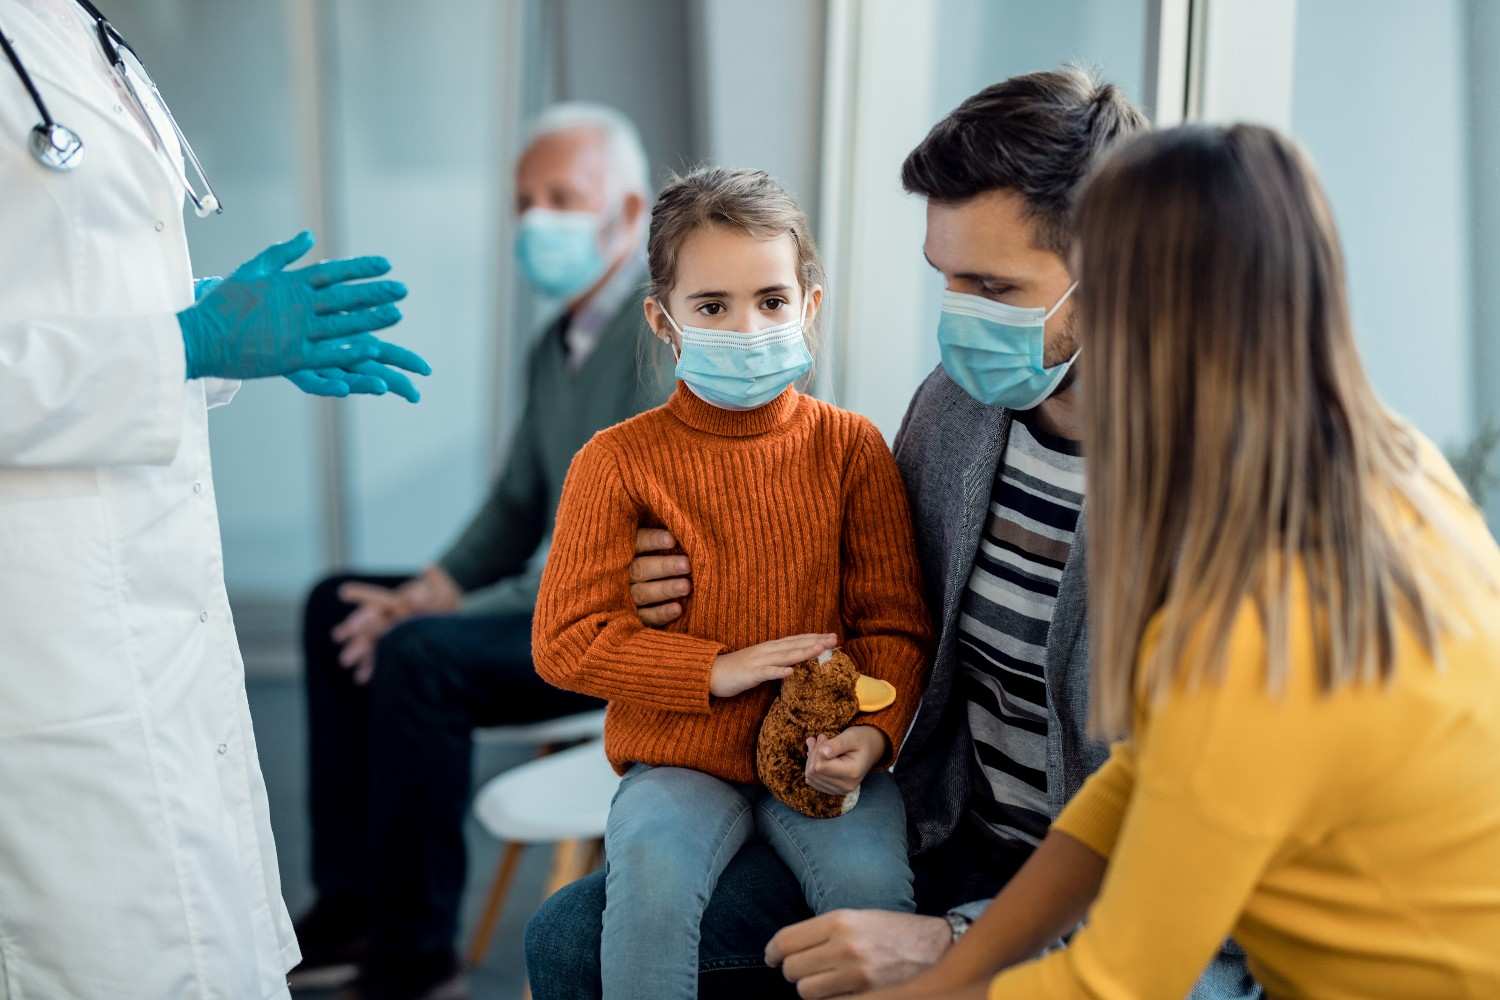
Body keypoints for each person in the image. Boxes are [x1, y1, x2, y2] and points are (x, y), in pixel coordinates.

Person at [525, 69, 1257, 1000]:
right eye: (948, 278)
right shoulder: (959, 410)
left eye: (992, 284)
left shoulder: (1223, 492)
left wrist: (953, 942)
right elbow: (843, 569)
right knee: (571, 939)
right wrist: (658, 583)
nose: (962, 315)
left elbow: (1195, 856)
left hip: (1148, 907)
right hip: (959, 835)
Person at [858, 122, 1500, 999]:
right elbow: (1141, 776)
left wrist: (939, 976)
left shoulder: (1254, 625)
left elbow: (1114, 985)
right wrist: (953, 976)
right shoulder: (1396, 467)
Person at [0, 0, 431, 997]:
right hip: (45, 654)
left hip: (153, 625)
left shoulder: (72, 26)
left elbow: (73, 292)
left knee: (208, 948)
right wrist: (186, 344)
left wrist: (210, 337)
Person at [287, 103, 673, 1000]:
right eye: (523, 199)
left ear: (626, 213)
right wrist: (429, 585)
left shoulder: (655, 342)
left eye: (561, 197)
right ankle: (352, 908)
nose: (537, 219)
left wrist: (439, 612)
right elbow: (516, 506)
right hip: (560, 600)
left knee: (419, 657)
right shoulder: (558, 346)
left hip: (629, 624)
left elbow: (608, 554)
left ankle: (417, 959)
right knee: (337, 604)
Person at [530, 165, 932, 1000]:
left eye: (772, 301)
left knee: (872, 896)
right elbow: (564, 641)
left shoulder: (852, 449)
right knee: (648, 892)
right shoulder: (616, 461)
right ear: (663, 319)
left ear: (809, 306)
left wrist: (875, 734)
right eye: (712, 306)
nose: (747, 327)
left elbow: (894, 625)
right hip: (677, 761)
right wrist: (716, 668)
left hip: (825, 756)